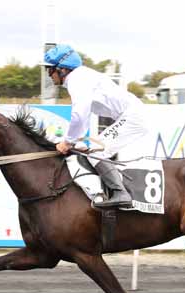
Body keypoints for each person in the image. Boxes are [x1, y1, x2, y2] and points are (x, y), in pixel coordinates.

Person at [42, 44, 150, 209]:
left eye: (50, 70)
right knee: (91, 148)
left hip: (132, 116)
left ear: (63, 70)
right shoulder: (80, 77)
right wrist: (74, 142)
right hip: (129, 115)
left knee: (95, 151)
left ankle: (121, 193)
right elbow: (83, 116)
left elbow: (79, 115)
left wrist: (68, 142)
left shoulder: (77, 80)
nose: (48, 74)